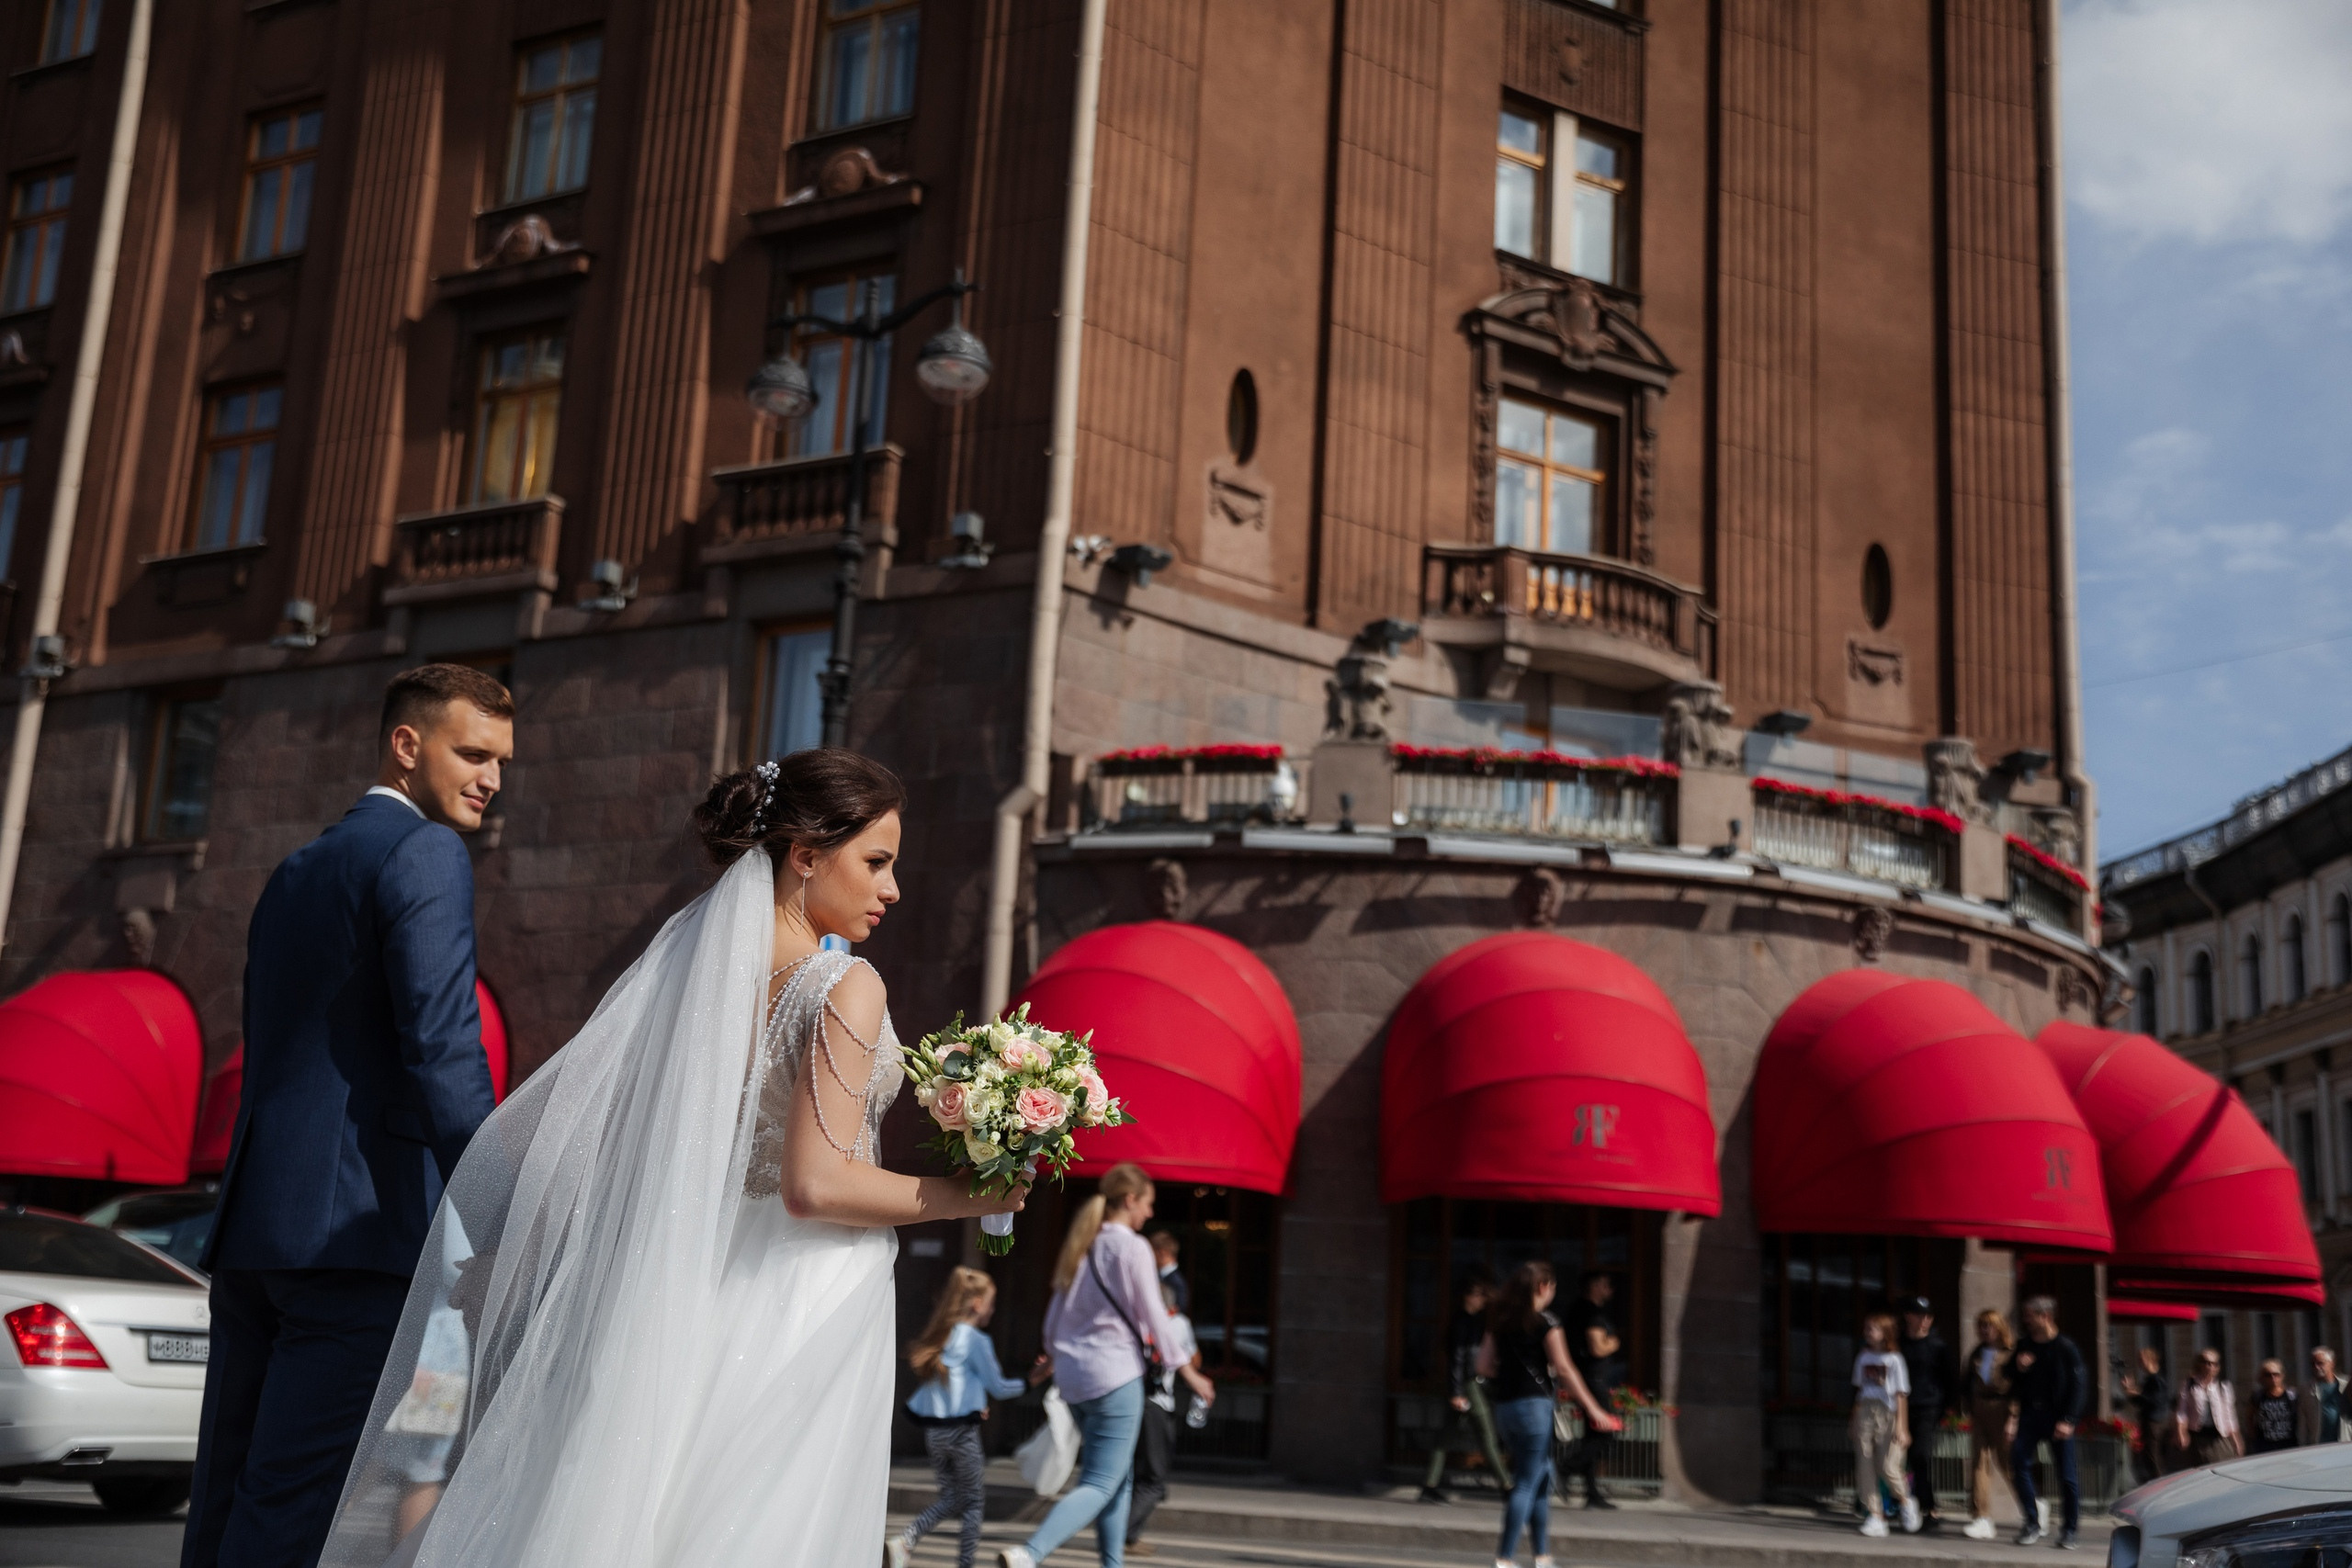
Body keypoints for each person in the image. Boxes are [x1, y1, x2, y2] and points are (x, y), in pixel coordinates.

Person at [317, 748, 1027, 1568]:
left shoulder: (694, 979)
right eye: (876, 861)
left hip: (692, 1291)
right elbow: (815, 1182)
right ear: (804, 854)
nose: (891, 888)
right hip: (802, 1298)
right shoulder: (844, 983)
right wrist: (975, 1193)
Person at [185, 664, 512, 1568]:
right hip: (355, 1236)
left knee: (228, 1494)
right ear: (407, 747)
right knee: (292, 1507)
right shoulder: (427, 852)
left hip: (257, 1225)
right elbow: (443, 1047)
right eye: (473, 753)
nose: (492, 778)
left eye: (502, 761)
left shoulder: (297, 867)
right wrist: (498, 1199)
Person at [999, 1162, 1179, 1568]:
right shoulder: (1132, 1247)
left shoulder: (1084, 1243)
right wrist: (1187, 1369)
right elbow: (1153, 1313)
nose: (1150, 1213)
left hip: (1074, 1377)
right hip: (1116, 1375)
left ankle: (1111, 1564)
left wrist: (1053, 1356)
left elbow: (1056, 1314)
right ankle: (1029, 1553)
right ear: (1131, 1200)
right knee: (1101, 1481)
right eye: (1148, 1204)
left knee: (1118, 1479)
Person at [893, 1268, 1046, 1568]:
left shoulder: (943, 1334)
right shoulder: (976, 1340)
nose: (993, 1309)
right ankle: (963, 1563)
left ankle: (906, 1540)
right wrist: (1033, 1381)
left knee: (953, 1496)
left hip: (934, 1433)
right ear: (977, 1304)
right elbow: (999, 1387)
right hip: (961, 1432)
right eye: (991, 1302)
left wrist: (977, 1403)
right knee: (973, 1501)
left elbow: (956, 1383)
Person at [1476, 1260, 1620, 1568]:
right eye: (1552, 1286)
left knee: (1541, 1479)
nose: (1553, 1291)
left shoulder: (1499, 1321)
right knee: (1526, 1483)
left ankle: (1542, 1556)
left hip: (1505, 1408)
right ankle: (1504, 1558)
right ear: (1544, 1287)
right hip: (1534, 1408)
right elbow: (1566, 1369)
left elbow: (1483, 1367)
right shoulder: (1547, 1322)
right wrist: (1594, 1410)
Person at [1125, 1280, 1216, 1558]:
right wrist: (1193, 1376)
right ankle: (1125, 1534)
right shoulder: (1177, 1324)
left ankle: (1127, 1533)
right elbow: (1191, 1360)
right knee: (1154, 1477)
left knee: (1136, 1471)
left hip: (1129, 1401)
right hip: (1158, 1405)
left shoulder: (1133, 1320)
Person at [1421, 1268, 1512, 1504]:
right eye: (1479, 1294)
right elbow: (1457, 1359)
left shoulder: (1474, 1321)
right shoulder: (1462, 1322)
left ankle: (1429, 1485)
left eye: (1484, 1295)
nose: (1483, 1299)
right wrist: (1456, 1392)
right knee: (1486, 1433)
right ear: (1468, 1296)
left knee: (1446, 1435)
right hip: (1467, 1384)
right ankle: (1507, 1484)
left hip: (1469, 1383)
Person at [2005, 1296, 2087, 1550]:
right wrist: (2018, 1367)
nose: (2026, 1320)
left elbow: (2079, 1385)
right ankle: (2032, 1522)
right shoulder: (2025, 1344)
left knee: (2067, 1475)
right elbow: (2008, 1376)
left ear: (2046, 1316)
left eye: (2031, 1315)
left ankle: (2069, 1530)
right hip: (2031, 1415)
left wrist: (2069, 1419)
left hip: (2058, 1418)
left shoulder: (2065, 1347)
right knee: (2019, 1463)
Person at [1560, 1271, 1625, 1509]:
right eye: (1605, 1284)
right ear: (1594, 1287)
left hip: (1588, 1378)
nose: (1610, 1290)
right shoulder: (1591, 1313)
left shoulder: (1581, 1309)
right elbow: (1598, 1348)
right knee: (1606, 1433)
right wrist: (1614, 1342)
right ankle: (1566, 1468)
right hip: (1592, 1380)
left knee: (1592, 1434)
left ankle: (1591, 1493)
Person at [1851, 1313, 1918, 1539]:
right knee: (1865, 1465)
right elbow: (1860, 1391)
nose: (1868, 1332)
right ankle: (1875, 1515)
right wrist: (1854, 1420)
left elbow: (1901, 1395)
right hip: (1865, 1412)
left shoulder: (1894, 1359)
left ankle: (1906, 1500)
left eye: (1873, 1328)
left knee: (1888, 1466)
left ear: (1885, 1334)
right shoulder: (1863, 1357)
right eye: (1867, 1328)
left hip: (1888, 1413)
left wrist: (1902, 1427)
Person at [1896, 1296, 1957, 1530]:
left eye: (1928, 1317)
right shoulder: (1899, 1343)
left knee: (1921, 1456)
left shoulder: (1938, 1347)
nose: (1924, 1321)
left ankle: (1928, 1507)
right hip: (1900, 1408)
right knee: (1896, 1460)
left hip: (1928, 1407)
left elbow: (1950, 1380)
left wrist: (1943, 1409)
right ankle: (1901, 1505)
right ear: (1908, 1316)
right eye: (1920, 1315)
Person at [1960, 1310, 2016, 1540]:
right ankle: (1981, 1517)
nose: (1984, 1330)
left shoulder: (2010, 1354)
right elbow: (1966, 1381)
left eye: (1988, 1325)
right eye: (1981, 1325)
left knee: (2007, 1463)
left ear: (1999, 1327)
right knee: (1979, 1464)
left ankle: (2033, 1504)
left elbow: (2017, 1389)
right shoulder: (1977, 1352)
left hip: (2002, 1409)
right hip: (1980, 1408)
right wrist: (1965, 1408)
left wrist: (2013, 1418)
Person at [2175, 1348, 2243, 1468]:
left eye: (2213, 1364)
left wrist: (2236, 1440)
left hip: (2219, 1436)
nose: (2209, 1366)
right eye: (2206, 1362)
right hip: (2198, 1435)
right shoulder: (2189, 1385)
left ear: (2217, 1367)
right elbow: (2182, 1412)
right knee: (2200, 1469)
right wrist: (2181, 1432)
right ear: (2199, 1364)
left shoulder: (2223, 1386)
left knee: (2223, 1466)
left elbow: (2230, 1416)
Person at [2120, 1345, 2173, 1483]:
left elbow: (2154, 1400)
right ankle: (2156, 1481)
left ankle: (2160, 1483)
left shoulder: (2157, 1380)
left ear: (2150, 1359)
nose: (2139, 1362)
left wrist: (2135, 1392)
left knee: (2153, 1457)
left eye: (2141, 1359)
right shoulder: (2150, 1379)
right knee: (2149, 1456)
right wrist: (2130, 1391)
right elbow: (2141, 1402)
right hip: (2150, 1421)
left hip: (2154, 1422)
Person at [2245, 1359, 2301, 1454]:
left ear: (2282, 1376)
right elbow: (2249, 1417)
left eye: (2276, 1375)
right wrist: (2253, 1436)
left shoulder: (2292, 1395)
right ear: (2262, 1377)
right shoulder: (2258, 1396)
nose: (2273, 1378)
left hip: (2288, 1443)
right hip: (2265, 1445)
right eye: (2268, 1375)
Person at [2300, 1347, 2348, 1446]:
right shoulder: (2307, 1390)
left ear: (2332, 1363)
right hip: (2319, 1445)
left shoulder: (2346, 1387)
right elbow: (2302, 1423)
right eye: (2313, 1364)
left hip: (2345, 1443)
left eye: (2320, 1363)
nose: (2316, 1367)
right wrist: (2302, 1445)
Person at [1148, 1229, 1190, 1316]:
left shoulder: (1176, 1281)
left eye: (1151, 1252)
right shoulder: (1159, 1276)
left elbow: (1179, 1308)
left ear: (1161, 1253)